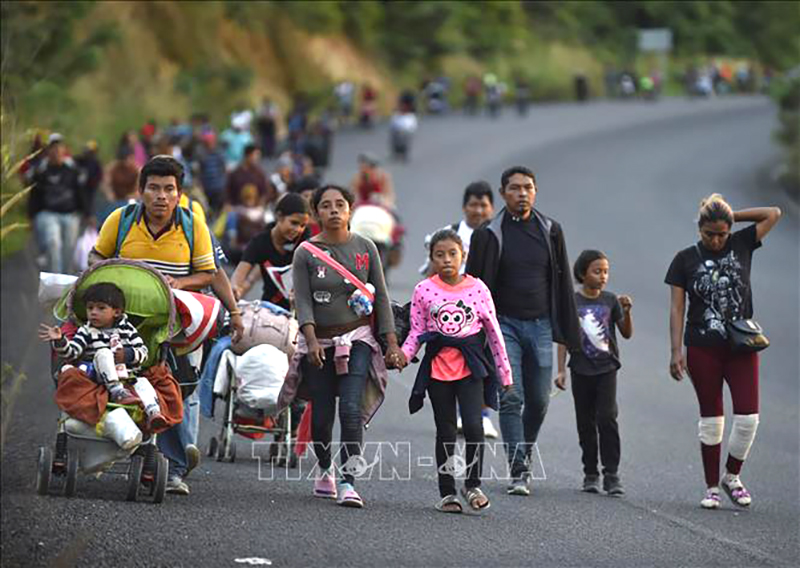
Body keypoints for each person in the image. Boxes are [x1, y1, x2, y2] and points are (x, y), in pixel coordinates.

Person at [89, 155, 243, 496]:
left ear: (179, 193)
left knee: (174, 385)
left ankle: (173, 468)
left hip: (176, 325)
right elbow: (96, 257)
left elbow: (210, 273)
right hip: (124, 322)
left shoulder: (193, 226)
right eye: (154, 188)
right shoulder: (121, 220)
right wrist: (111, 274)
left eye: (169, 189)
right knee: (119, 380)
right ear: (141, 190)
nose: (161, 196)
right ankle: (125, 447)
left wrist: (180, 284)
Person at [281, 184, 405, 508]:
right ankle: (325, 468)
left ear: (350, 210)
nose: (334, 210)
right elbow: (303, 302)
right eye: (326, 205)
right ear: (316, 213)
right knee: (322, 417)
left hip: (358, 340)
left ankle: (349, 481)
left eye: (340, 205)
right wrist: (309, 340)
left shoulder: (366, 248)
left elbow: (380, 297)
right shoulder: (305, 253)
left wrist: (391, 344)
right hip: (318, 342)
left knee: (350, 410)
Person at [466, 166, 580, 496]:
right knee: (511, 397)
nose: (522, 194)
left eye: (528, 187)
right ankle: (519, 468)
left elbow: (562, 282)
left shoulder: (551, 230)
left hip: (542, 325)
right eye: (514, 188)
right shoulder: (488, 234)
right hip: (504, 327)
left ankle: (524, 451)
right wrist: (473, 335)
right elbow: (473, 286)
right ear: (502, 194)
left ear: (535, 191)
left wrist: (568, 334)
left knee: (540, 400)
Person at [665, 194, 781, 509]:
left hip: (741, 345)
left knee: (748, 418)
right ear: (699, 229)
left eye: (722, 233)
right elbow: (677, 308)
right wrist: (676, 351)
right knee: (712, 420)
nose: (716, 240)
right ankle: (711, 487)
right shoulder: (684, 259)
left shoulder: (742, 243)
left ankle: (732, 476)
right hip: (702, 347)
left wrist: (732, 215)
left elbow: (773, 212)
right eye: (709, 234)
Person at [403, 229, 512, 513]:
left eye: (452, 253)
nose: (447, 260)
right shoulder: (424, 290)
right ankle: (448, 492)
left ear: (463, 255)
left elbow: (493, 332)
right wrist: (402, 356)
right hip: (438, 370)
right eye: (440, 255)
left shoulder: (478, 289)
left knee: (475, 428)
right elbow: (417, 331)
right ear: (431, 258)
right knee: (446, 430)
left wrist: (505, 373)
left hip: (470, 369)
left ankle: (472, 485)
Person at [419, 181, 498, 438]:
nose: (478, 211)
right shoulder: (449, 233)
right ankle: (455, 414)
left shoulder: (497, 234)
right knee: (449, 361)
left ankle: (482, 415)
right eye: (473, 205)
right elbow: (430, 273)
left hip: (482, 311)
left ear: (491, 208)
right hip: (448, 313)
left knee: (482, 363)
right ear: (465, 207)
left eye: (483, 205)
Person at [555, 250, 633, 496]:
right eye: (597, 271)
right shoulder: (573, 302)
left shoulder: (611, 300)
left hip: (606, 368)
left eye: (606, 271)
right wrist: (560, 371)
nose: (603, 276)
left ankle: (612, 474)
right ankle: (590, 472)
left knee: (607, 417)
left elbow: (626, 333)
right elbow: (564, 339)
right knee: (585, 422)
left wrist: (627, 311)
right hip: (580, 368)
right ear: (582, 273)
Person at [39, 282, 168, 430]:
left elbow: (143, 352)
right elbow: (72, 352)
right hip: (98, 376)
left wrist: (127, 354)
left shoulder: (127, 329)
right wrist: (60, 340)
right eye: (90, 308)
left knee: (143, 383)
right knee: (104, 352)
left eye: (101, 308)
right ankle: (116, 391)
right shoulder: (86, 331)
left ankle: (153, 412)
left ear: (116, 312)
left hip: (126, 375)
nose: (94, 312)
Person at [231, 193, 311, 307]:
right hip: (271, 310)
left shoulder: (304, 239)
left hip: (300, 310)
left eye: (302, 225)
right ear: (279, 216)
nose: (298, 229)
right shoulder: (260, 242)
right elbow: (240, 273)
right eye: (294, 223)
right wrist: (235, 288)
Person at [28, 133, 89, 274]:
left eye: (59, 148)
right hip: (48, 214)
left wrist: (87, 213)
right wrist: (31, 216)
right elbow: (33, 193)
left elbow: (81, 191)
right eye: (53, 149)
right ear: (48, 151)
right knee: (53, 243)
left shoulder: (72, 169)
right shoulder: (41, 171)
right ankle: (55, 279)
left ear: (64, 150)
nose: (56, 152)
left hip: (70, 214)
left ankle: (65, 281)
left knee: (69, 248)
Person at [196, 132, 227, 216]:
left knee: (219, 210)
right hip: (207, 186)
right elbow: (199, 171)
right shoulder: (201, 155)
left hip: (219, 186)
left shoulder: (219, 153)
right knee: (209, 210)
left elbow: (224, 169)